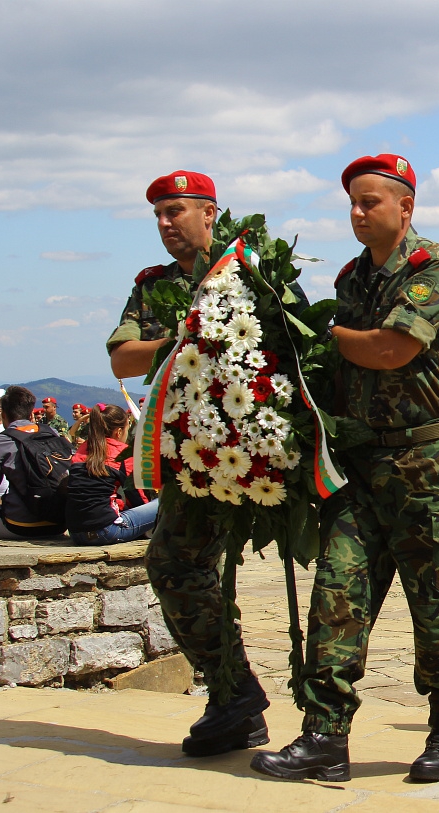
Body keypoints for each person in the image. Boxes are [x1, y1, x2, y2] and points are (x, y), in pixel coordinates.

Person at [249, 154, 439, 782]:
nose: (357, 212)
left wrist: (312, 333)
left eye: (370, 201)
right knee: (337, 596)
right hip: (361, 462)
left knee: (435, 602)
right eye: (351, 201)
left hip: (428, 465)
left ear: (406, 206)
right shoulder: (353, 278)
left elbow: (390, 348)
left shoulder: (437, 269)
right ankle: (324, 735)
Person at [106, 170, 273, 759]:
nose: (165, 223)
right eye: (157, 214)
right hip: (194, 454)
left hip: (266, 446)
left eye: (176, 210)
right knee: (176, 563)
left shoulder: (254, 270)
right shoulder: (154, 289)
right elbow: (123, 359)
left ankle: (317, 717)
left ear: (210, 213)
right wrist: (184, 338)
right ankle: (233, 695)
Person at [0, 386, 69, 543]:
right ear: (31, 414)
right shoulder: (51, 432)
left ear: (4, 414)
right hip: (59, 521)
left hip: (20, 524)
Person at [65, 404, 159, 544]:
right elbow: (136, 497)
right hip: (106, 531)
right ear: (119, 432)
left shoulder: (83, 449)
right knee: (165, 502)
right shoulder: (122, 452)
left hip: (76, 533)